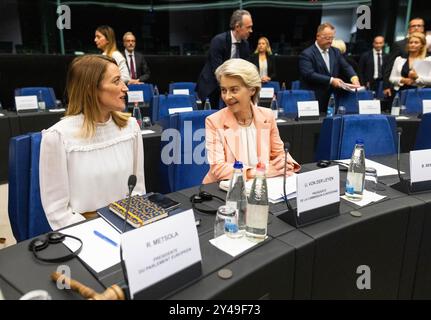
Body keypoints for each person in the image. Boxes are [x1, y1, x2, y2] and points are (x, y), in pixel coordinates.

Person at [39, 55, 146, 230]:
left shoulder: (131, 127)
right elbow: (57, 212)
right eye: (116, 81)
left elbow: (138, 189)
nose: (125, 88)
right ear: (91, 89)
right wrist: (94, 234)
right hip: (84, 232)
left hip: (129, 225)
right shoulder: (58, 137)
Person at [203, 58, 300, 184]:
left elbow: (280, 154)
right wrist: (258, 172)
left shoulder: (267, 115)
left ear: (252, 89)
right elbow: (219, 169)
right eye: (223, 90)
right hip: (223, 190)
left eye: (234, 90)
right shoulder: (214, 121)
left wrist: (285, 163)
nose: (227, 97)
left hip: (261, 186)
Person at [196, 9, 253, 108]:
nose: (251, 31)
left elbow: (246, 69)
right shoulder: (218, 41)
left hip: (230, 88)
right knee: (210, 119)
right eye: (248, 27)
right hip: (211, 87)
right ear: (237, 27)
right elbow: (218, 70)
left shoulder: (245, 45)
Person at [298, 22, 360, 112]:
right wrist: (331, 80)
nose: (330, 41)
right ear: (318, 36)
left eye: (332, 38)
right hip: (313, 98)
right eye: (327, 38)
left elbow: (346, 66)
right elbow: (309, 74)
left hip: (331, 99)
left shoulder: (335, 52)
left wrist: (354, 78)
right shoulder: (307, 54)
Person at [383, 17, 425, 97]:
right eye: (413, 26)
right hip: (402, 86)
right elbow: (389, 66)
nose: (416, 28)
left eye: (419, 26)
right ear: (409, 29)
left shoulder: (427, 45)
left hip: (423, 87)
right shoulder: (399, 44)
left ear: (423, 28)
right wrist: (386, 86)